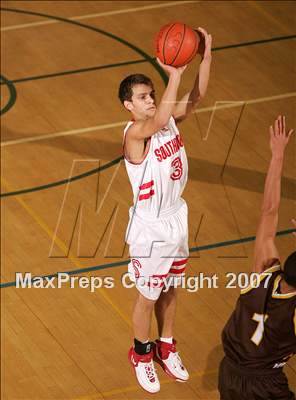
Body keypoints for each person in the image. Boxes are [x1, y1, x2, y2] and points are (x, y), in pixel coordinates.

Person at [118, 28, 212, 393]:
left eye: (152, 94)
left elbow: (199, 96)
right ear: (128, 105)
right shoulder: (134, 133)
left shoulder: (167, 119)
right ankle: (141, 354)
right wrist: (175, 73)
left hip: (176, 216)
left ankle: (166, 345)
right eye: (142, 97)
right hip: (151, 229)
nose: (150, 100)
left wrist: (207, 56)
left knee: (172, 287)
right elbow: (156, 122)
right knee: (148, 296)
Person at [219, 115, 296, 400]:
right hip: (265, 385)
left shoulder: (266, 271)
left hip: (229, 373)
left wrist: (277, 155)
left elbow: (269, 212)